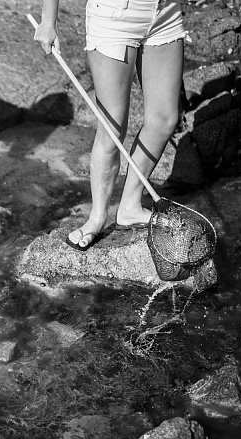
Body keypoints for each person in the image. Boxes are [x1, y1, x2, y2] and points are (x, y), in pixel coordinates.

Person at [33, 0, 186, 251]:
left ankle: (130, 206)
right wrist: (49, 20)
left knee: (164, 120)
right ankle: (97, 217)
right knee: (112, 128)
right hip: (116, 15)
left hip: (165, 13)